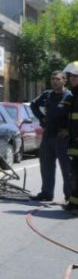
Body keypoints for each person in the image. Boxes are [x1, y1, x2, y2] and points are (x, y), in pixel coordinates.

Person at [30, 70, 73, 202]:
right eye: (52, 78)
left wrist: (68, 130)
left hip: (63, 138)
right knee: (46, 166)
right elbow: (33, 105)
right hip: (48, 135)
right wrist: (41, 118)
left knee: (67, 169)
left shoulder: (70, 97)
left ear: (64, 81)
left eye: (58, 79)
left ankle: (69, 195)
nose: (54, 81)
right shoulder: (47, 95)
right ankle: (47, 193)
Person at [63, 62, 78, 212]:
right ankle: (73, 203)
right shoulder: (73, 95)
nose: (72, 79)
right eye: (71, 76)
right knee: (74, 174)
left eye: (76, 76)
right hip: (74, 142)